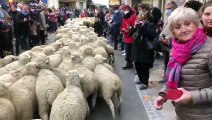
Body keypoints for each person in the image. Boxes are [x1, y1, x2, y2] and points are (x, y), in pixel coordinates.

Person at [154, 7, 212, 120]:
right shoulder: (175, 51)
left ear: (196, 24)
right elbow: (172, 80)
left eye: (187, 24)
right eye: (177, 27)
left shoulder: (210, 49)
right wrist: (164, 95)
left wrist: (192, 96)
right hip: (182, 113)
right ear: (173, 32)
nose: (183, 29)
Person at [129, 12, 157, 90]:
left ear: (146, 19)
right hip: (136, 49)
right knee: (137, 66)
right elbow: (130, 34)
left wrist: (143, 27)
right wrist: (134, 27)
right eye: (139, 19)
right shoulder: (137, 26)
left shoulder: (150, 25)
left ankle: (145, 83)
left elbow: (151, 36)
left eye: (142, 19)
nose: (140, 21)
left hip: (145, 50)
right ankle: (141, 80)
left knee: (144, 67)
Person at [159, 1, 177, 83]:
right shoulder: (169, 18)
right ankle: (166, 77)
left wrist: (168, 39)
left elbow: (176, 32)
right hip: (165, 45)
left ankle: (170, 79)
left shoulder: (176, 19)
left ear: (174, 9)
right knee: (166, 62)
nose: (167, 11)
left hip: (171, 46)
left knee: (171, 64)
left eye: (169, 9)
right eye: (166, 9)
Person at [120, 5, 136, 70]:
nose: (123, 11)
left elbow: (134, 26)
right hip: (126, 36)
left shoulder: (133, 16)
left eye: (124, 10)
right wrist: (121, 30)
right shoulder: (124, 17)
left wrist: (128, 30)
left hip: (131, 36)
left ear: (127, 9)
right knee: (127, 51)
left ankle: (131, 63)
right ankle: (129, 63)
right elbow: (122, 25)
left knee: (131, 51)